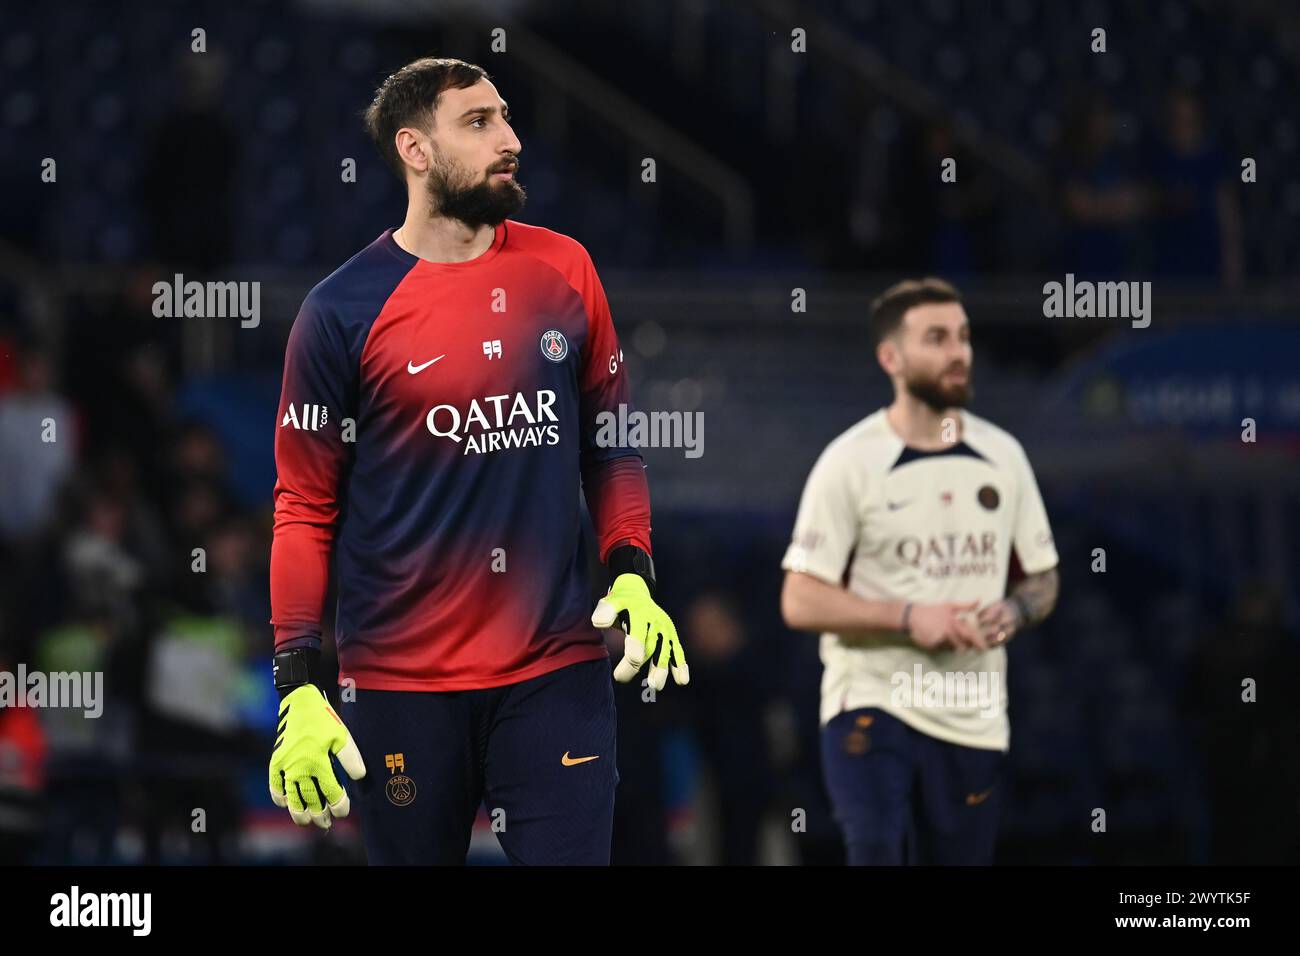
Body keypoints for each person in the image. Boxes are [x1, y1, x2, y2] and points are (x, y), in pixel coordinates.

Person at [267, 57, 687, 865]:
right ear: (414, 150)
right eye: (479, 122)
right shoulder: (339, 313)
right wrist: (298, 684)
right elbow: (304, 507)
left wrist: (631, 571)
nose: (512, 140)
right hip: (399, 686)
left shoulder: (565, 271)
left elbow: (611, 447)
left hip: (554, 669)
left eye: (506, 116)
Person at [780, 277, 1059, 865]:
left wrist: (1014, 609)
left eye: (962, 336)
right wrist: (908, 616)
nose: (958, 352)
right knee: (875, 850)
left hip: (972, 714)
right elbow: (799, 599)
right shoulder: (849, 462)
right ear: (891, 358)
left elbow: (1043, 578)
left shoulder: (1004, 457)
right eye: (936, 338)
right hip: (873, 700)